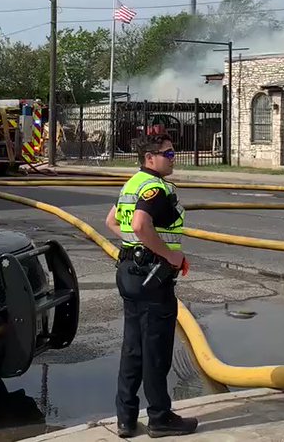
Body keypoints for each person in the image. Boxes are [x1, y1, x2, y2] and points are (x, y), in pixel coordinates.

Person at [104, 133, 198, 439]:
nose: (173, 158)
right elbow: (142, 225)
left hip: (130, 271)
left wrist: (136, 246)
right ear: (150, 159)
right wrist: (168, 254)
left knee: (133, 348)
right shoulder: (155, 188)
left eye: (173, 153)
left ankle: (126, 419)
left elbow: (112, 222)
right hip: (152, 278)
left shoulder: (133, 183)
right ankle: (159, 418)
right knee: (156, 350)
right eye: (168, 154)